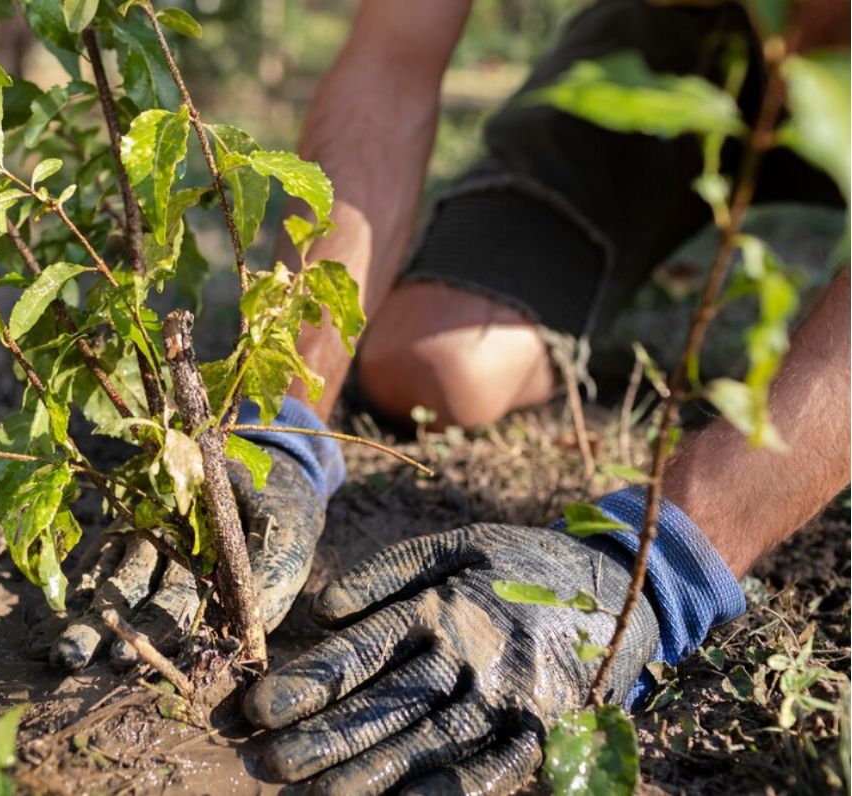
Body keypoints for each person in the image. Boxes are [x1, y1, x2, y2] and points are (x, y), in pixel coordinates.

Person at [50, 2, 850, 793]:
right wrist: (283, 409)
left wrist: (666, 564)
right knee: (435, 365)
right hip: (676, 53)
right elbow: (390, 64)